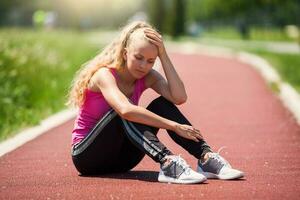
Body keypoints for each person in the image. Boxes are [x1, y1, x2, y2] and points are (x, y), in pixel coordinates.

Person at [67, 21, 244, 184]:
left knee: (162, 105)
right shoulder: (104, 75)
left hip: (123, 160)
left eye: (151, 61)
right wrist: (173, 126)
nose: (144, 65)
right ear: (125, 53)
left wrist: (164, 55)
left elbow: (179, 97)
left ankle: (205, 157)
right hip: (87, 157)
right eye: (138, 57)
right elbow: (125, 110)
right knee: (123, 111)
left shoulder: (147, 77)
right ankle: (167, 162)